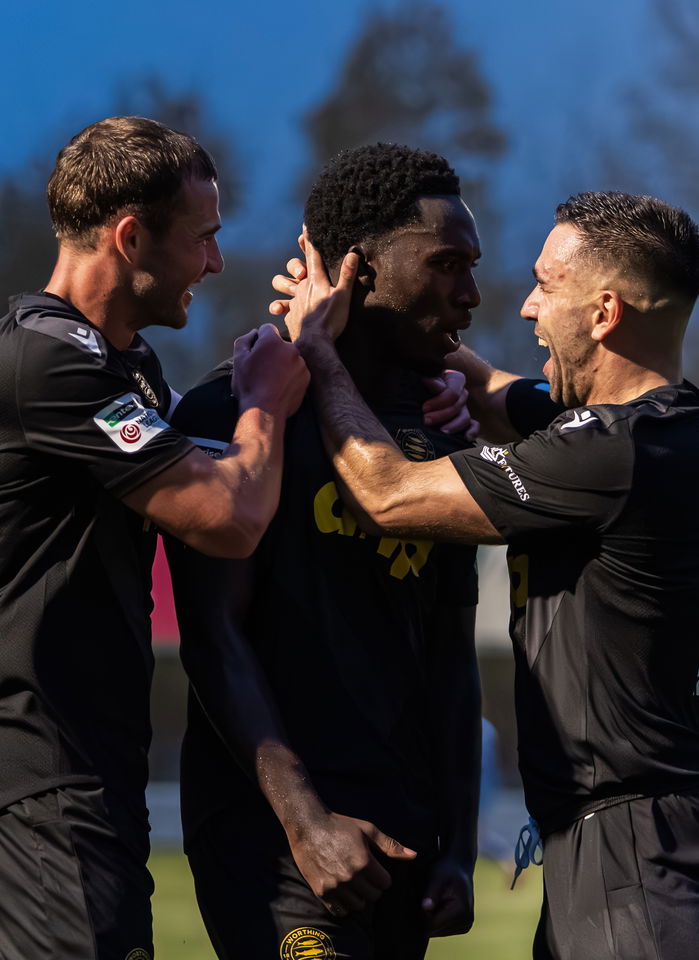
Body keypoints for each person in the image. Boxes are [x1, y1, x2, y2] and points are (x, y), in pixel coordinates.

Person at [273, 191, 699, 960]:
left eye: (546, 285)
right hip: (649, 839)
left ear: (603, 313)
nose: (527, 307)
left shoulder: (607, 453)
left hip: (636, 852)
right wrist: (405, 323)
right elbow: (497, 391)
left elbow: (388, 494)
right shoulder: (668, 429)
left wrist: (319, 350)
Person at [0, 115, 309, 960]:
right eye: (203, 238)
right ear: (130, 236)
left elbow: (202, 458)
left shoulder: (121, 366)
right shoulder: (48, 362)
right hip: (40, 774)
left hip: (91, 771)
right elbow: (228, 516)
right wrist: (264, 403)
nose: (213, 262)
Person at [166, 143, 483, 960]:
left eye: (472, 267)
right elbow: (214, 636)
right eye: (446, 263)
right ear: (357, 270)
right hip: (275, 837)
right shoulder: (234, 410)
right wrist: (304, 821)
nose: (471, 294)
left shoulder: (439, 430)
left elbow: (451, 656)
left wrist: (456, 839)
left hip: (405, 838)